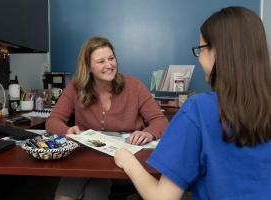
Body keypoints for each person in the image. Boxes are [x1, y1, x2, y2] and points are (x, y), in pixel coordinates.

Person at [114, 6, 271, 200]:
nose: (199, 59)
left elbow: (162, 197)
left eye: (201, 49)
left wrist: (128, 160)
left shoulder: (198, 110)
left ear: (219, 52)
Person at [46, 36, 168, 200]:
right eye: (101, 61)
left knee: (93, 195)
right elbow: (52, 121)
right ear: (88, 67)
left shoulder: (134, 86)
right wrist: (67, 130)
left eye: (111, 58)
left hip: (124, 160)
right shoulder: (76, 87)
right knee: (64, 196)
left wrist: (149, 133)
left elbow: (160, 121)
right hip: (87, 158)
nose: (109, 65)